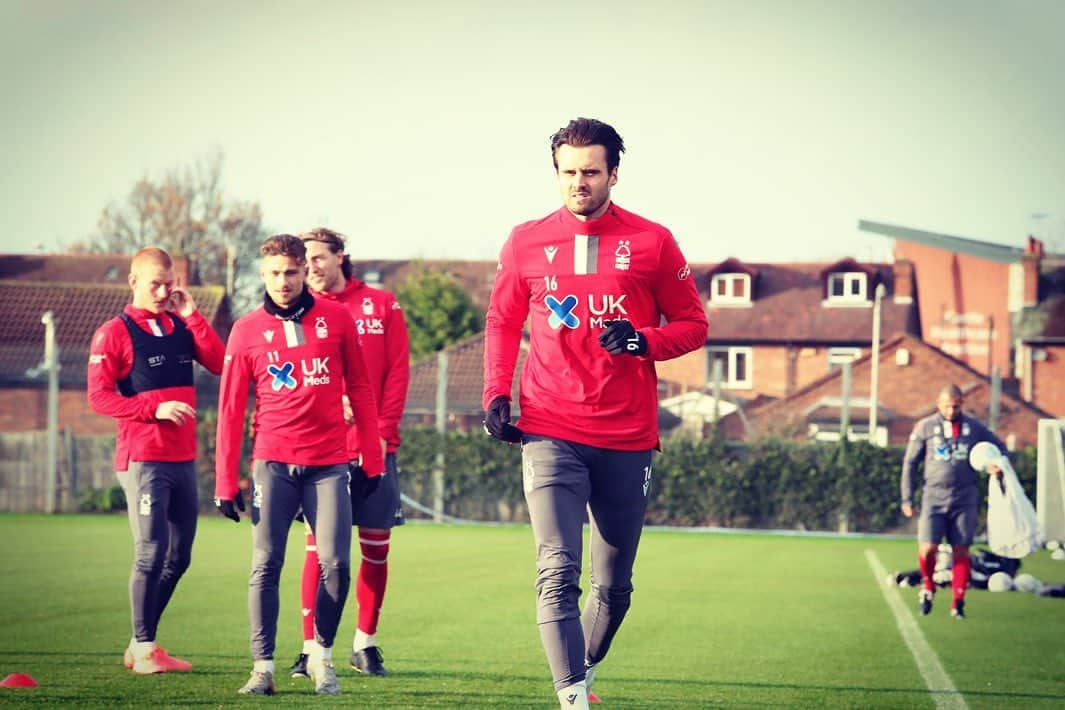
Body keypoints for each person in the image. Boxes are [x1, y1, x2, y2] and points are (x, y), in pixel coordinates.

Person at [482, 117, 709, 709]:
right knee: (557, 569)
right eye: (567, 172)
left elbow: (693, 325)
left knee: (613, 589)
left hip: (626, 435)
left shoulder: (654, 241)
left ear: (613, 173)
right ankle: (573, 698)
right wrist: (495, 394)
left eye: (589, 172)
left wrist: (642, 340)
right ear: (555, 174)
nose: (578, 182)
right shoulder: (524, 241)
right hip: (549, 427)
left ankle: (580, 669)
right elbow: (503, 322)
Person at [213, 234, 385, 696]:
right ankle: (262, 668)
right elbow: (230, 409)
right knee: (266, 564)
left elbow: (362, 391)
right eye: (273, 273)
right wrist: (225, 481)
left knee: (336, 563)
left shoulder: (338, 318)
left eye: (291, 271)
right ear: (261, 275)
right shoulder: (246, 330)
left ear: (304, 270)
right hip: (272, 463)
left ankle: (321, 657)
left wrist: (372, 457)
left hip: (329, 463)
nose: (283, 281)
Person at [87, 247, 225, 674]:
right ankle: (145, 647)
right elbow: (99, 396)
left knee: (178, 558)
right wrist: (154, 409)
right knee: (150, 551)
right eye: (155, 284)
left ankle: (140, 642)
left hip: (183, 459)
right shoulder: (113, 332)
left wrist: (194, 316)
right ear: (133, 282)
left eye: (170, 283)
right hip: (144, 459)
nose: (164, 291)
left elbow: (221, 364)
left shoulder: (183, 326)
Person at [286, 228, 410, 680]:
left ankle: (365, 643)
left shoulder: (381, 304)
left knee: (376, 548)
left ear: (340, 257)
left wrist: (382, 431)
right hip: (322, 449)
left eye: (318, 258)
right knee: (318, 552)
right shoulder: (297, 312)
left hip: (375, 446)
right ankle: (309, 649)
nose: (310, 267)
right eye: (305, 260)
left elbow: (397, 372)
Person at [901, 384, 1006, 619]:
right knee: (928, 548)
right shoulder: (925, 427)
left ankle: (958, 601)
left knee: (961, 550)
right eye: (947, 406)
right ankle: (928, 587)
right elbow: (910, 463)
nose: (951, 411)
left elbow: (1000, 448)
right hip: (934, 496)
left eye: (956, 406)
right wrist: (907, 497)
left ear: (962, 403)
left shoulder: (974, 427)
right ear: (939, 404)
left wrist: (996, 465)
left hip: (964, 497)